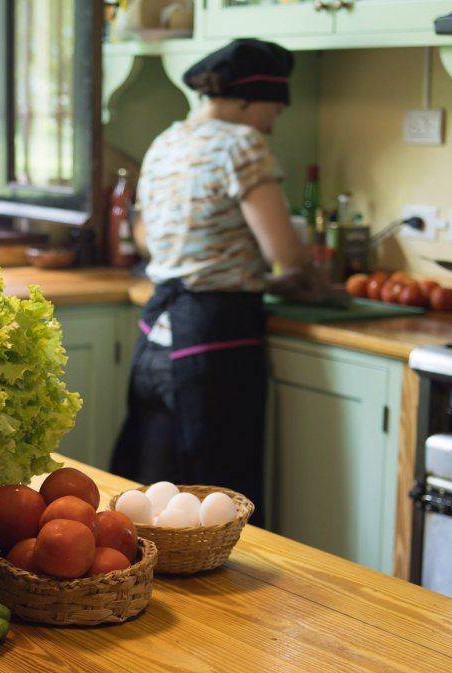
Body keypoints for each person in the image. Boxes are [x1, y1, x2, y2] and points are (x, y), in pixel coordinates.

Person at [111, 38, 325, 526]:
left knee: (154, 513)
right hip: (214, 344)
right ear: (248, 98)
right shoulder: (242, 144)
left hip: (157, 342)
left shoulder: (166, 142)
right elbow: (285, 256)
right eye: (276, 105)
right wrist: (315, 283)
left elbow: (144, 236)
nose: (275, 120)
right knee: (220, 512)